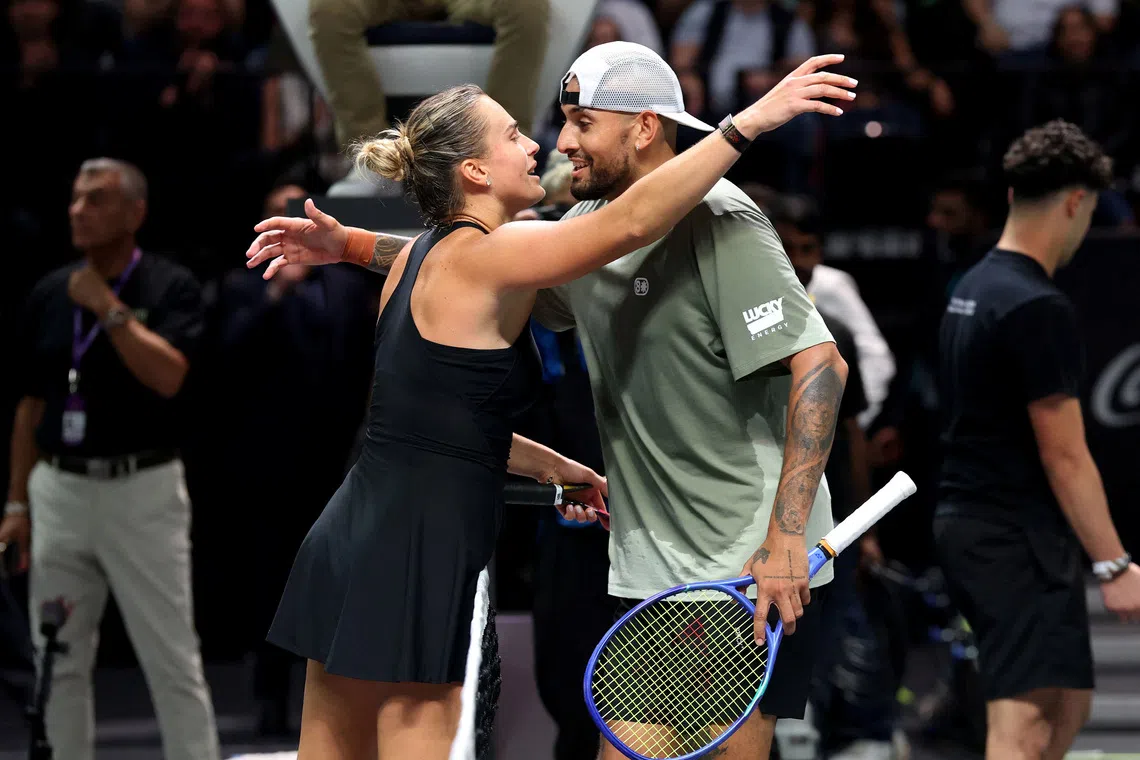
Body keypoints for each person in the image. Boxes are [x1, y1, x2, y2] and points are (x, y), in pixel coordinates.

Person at [245, 43, 858, 759]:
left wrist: (785, 537)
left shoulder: (706, 218)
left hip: (732, 562)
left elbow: (821, 365)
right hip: (455, 549)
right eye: (527, 132)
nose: (553, 142)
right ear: (473, 171)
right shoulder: (546, 241)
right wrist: (746, 123)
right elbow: (621, 227)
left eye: (579, 121)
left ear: (644, 126)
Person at [932, 119, 1140, 760]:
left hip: (982, 525)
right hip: (1009, 535)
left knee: (1066, 703)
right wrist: (1114, 564)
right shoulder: (1036, 304)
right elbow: (1066, 453)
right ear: (1076, 201)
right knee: (1024, 723)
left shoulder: (973, 289)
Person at [0, 158, 220, 760]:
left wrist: (107, 308)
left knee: (171, 657)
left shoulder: (169, 286)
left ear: (135, 213)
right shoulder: (49, 293)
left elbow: (170, 377)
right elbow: (29, 405)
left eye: (96, 199)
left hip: (142, 490)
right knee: (59, 659)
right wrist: (17, 502)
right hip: (60, 490)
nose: (78, 210)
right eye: (74, 198)